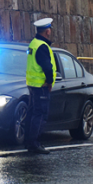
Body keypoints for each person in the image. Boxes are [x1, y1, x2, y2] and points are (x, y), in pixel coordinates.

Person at [25, 18, 57, 154]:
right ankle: (34, 143)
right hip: (41, 86)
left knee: (32, 113)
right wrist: (49, 81)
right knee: (40, 115)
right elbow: (47, 67)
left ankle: (29, 142)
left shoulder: (34, 43)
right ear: (47, 31)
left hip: (32, 84)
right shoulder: (42, 46)